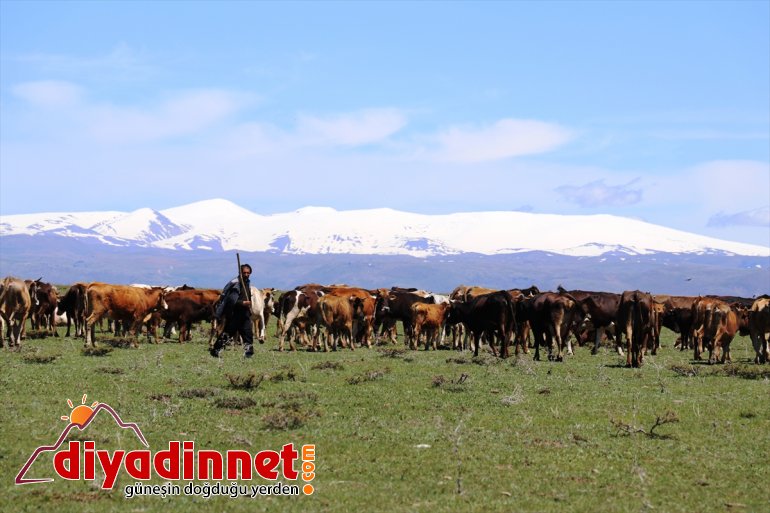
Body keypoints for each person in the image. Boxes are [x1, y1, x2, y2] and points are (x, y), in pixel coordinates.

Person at [210, 263, 254, 358]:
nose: (246, 274)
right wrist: (243, 303)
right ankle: (215, 350)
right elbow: (231, 301)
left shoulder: (247, 283)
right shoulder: (236, 285)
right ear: (240, 272)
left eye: (248, 273)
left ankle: (248, 353)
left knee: (248, 333)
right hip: (235, 314)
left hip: (245, 313)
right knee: (228, 333)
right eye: (244, 272)